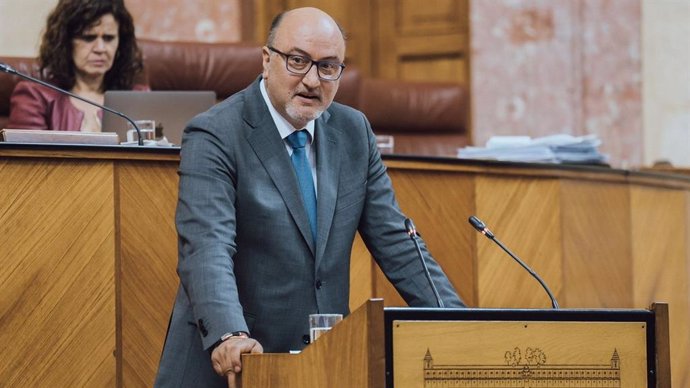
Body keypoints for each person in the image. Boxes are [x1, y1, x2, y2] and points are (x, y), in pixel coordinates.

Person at [154, 7, 465, 388]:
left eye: (329, 66)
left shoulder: (354, 132)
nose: (313, 80)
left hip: (323, 365)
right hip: (232, 366)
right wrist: (229, 333)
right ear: (267, 61)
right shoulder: (216, 132)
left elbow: (397, 241)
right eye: (298, 61)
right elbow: (207, 246)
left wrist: (459, 324)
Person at [8, 0, 146, 132]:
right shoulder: (35, 97)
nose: (100, 48)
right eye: (88, 37)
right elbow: (29, 156)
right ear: (65, 42)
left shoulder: (139, 98)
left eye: (109, 38)